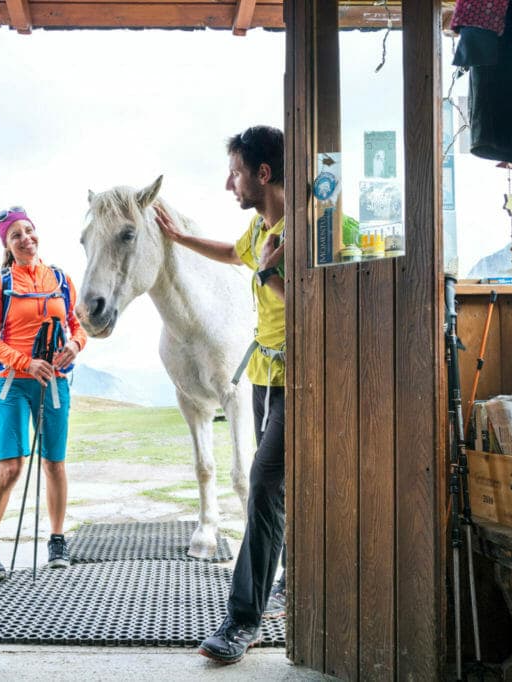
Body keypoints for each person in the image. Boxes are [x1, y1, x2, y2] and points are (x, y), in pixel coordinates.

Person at [155, 125, 287, 664]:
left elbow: (317, 302)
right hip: (266, 375)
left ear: (262, 173)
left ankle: (241, 621)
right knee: (274, 492)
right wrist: (181, 237)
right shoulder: (260, 231)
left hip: (301, 376)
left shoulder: (310, 227)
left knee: (260, 484)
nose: (228, 182)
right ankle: (281, 584)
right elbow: (235, 253)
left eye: (235, 171)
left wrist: (273, 272)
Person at [0, 207, 87, 582]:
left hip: (54, 382)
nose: (26, 238)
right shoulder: (0, 284)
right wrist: (25, 362)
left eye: (29, 231)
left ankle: (57, 541)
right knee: (10, 468)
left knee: (54, 463)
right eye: (16, 235)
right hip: (11, 382)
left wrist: (75, 344)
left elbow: (78, 324)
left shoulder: (60, 278)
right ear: (7, 246)